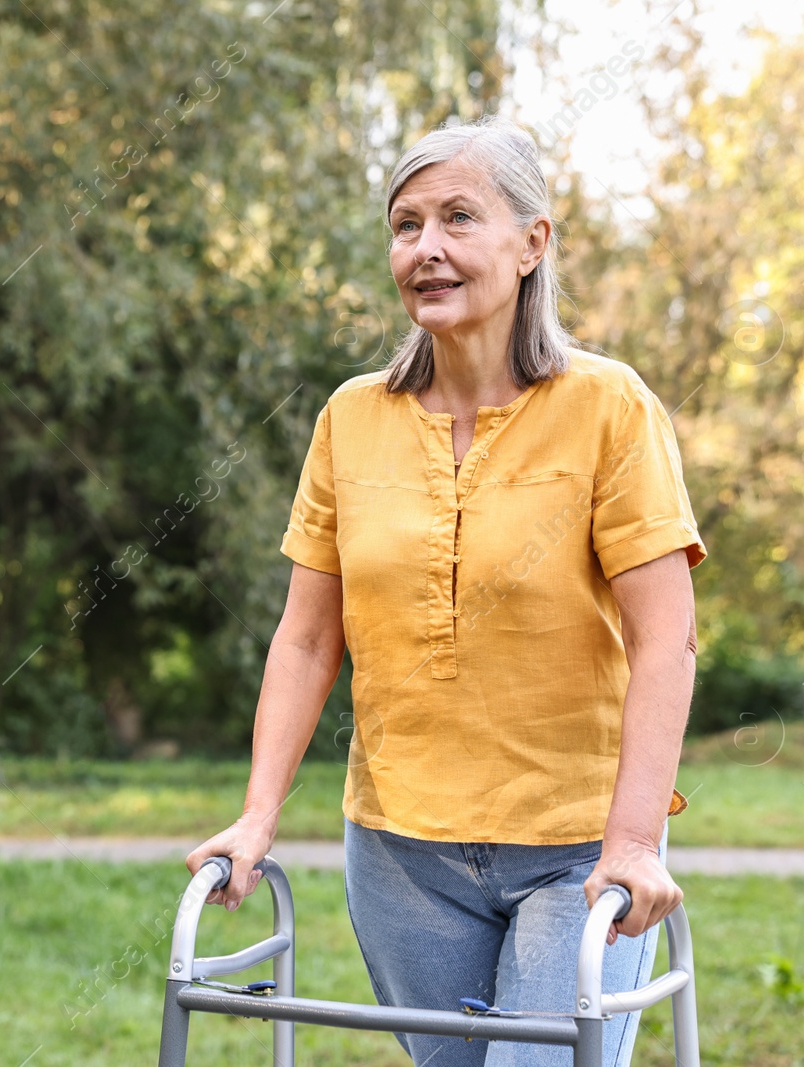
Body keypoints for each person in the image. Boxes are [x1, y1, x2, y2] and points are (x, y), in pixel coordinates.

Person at [184, 113, 706, 1067]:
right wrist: (257, 817)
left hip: (576, 851)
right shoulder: (352, 418)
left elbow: (666, 638)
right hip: (398, 854)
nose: (426, 248)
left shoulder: (608, 407)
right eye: (405, 224)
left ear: (531, 243)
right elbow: (306, 639)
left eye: (459, 218)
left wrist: (633, 842)